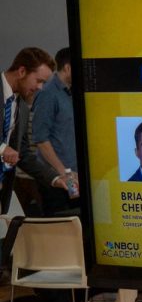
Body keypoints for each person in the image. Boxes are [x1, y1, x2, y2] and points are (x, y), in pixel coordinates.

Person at [2, 47, 70, 214]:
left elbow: (23, 154)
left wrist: (54, 178)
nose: (40, 87)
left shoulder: (23, 107)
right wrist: (3, 149)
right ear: (22, 71)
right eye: (38, 80)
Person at [31, 47, 79, 215]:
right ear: (68, 68)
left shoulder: (71, 92)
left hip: (73, 175)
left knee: (78, 221)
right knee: (60, 224)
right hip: (56, 176)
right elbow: (40, 139)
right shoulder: (48, 93)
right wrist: (63, 172)